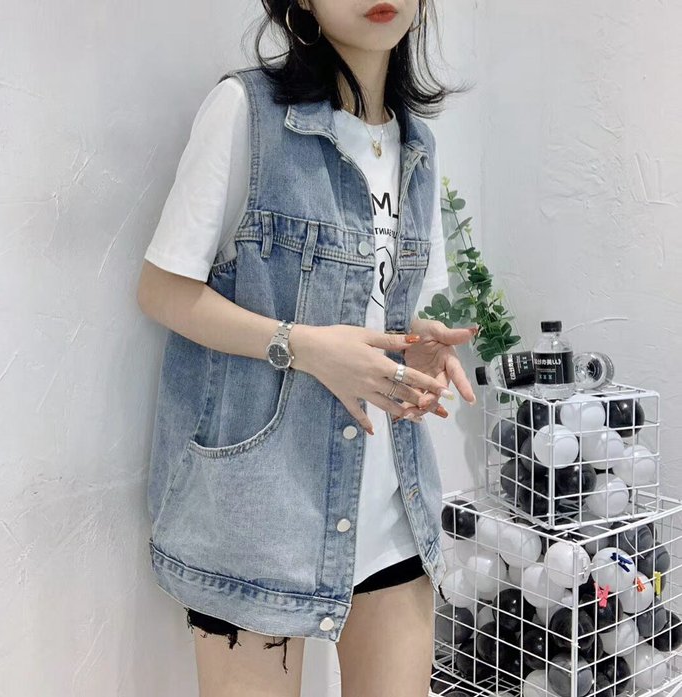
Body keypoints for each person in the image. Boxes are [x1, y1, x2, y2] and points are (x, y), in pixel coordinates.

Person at [137, 1, 477, 695]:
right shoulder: (248, 114)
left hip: (394, 508)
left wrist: (412, 346)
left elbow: (375, 309)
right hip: (260, 520)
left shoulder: (417, 143)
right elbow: (163, 291)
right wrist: (303, 346)